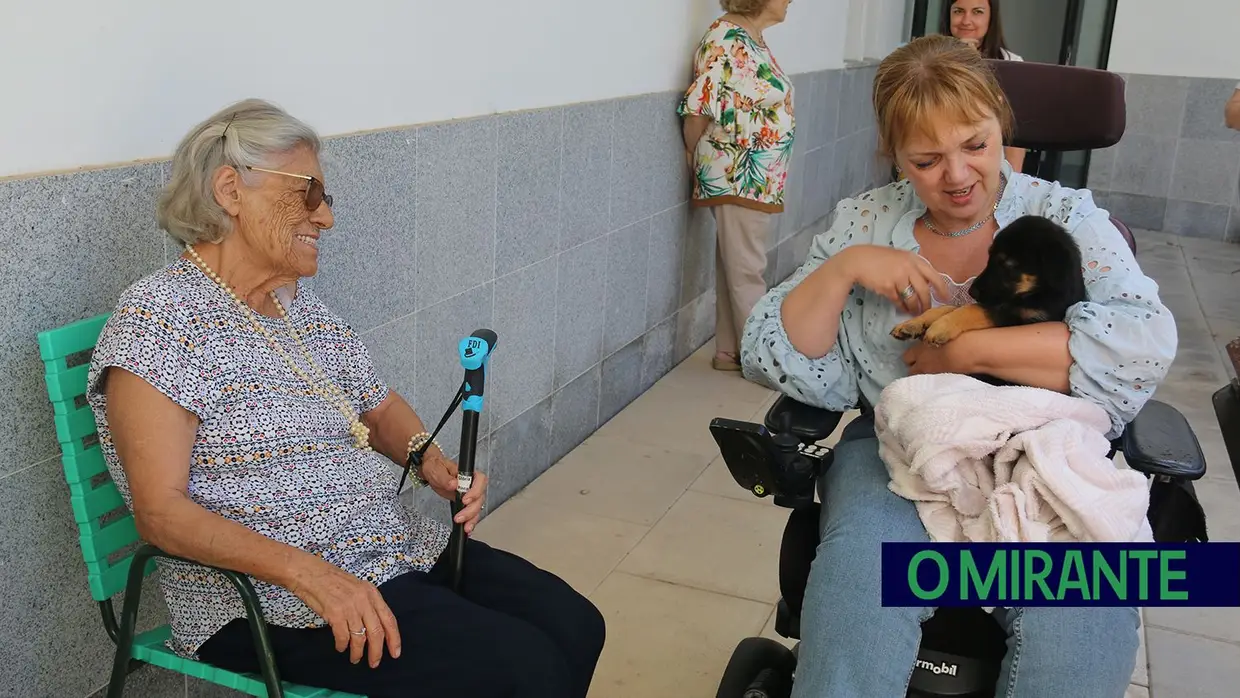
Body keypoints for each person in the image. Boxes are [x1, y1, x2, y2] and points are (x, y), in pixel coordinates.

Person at [86, 98, 605, 698]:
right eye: (308, 193)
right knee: (522, 669)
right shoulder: (159, 323)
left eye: (325, 199)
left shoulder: (291, 305)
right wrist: (314, 576)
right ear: (230, 190)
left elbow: (376, 406)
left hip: (383, 548)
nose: (324, 218)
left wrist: (431, 460)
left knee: (574, 624)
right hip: (271, 597)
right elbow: (161, 513)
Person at [740, 35, 1176, 698]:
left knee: (1085, 616)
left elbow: (1140, 343)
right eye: (926, 159)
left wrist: (964, 349)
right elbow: (784, 355)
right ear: (896, 158)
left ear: (1001, 124)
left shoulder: (1064, 218)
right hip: (897, 453)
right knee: (865, 583)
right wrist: (844, 269)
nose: (957, 175)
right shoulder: (866, 222)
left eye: (975, 144)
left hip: (1039, 449)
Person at [678, 0, 795, 372]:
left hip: (754, 178)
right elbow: (699, 105)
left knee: (736, 265)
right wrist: (693, 155)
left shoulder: (750, 37)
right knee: (748, 271)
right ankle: (766, 363)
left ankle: (729, 351)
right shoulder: (727, 37)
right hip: (737, 174)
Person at [941, 0, 1027, 172]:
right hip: (941, 162)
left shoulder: (1012, 63)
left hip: (990, 168)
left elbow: (1014, 133)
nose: (966, 20)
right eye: (958, 11)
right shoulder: (929, 59)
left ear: (991, 17)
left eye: (977, 12)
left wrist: (1013, 181)